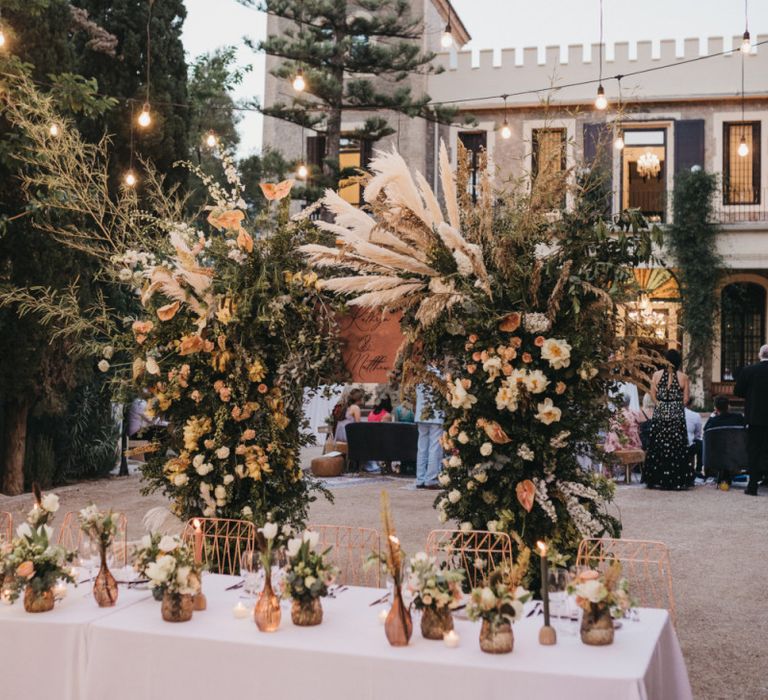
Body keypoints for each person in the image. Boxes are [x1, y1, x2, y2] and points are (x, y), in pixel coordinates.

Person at [643, 349, 693, 490]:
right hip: (676, 414)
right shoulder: (684, 377)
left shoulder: (656, 375)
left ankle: (656, 478)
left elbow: (652, 395)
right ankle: (676, 478)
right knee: (676, 445)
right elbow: (686, 399)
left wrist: (662, 405)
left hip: (661, 412)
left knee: (658, 444)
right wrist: (675, 406)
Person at [734, 344, 768, 495]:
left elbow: (738, 391)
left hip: (755, 417)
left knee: (754, 451)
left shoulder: (749, 370)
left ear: (760, 355)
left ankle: (753, 485)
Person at [703, 395, 746, 489]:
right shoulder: (738, 418)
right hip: (738, 455)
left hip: (719, 457)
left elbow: (705, 430)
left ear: (716, 408)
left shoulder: (713, 421)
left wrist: (711, 416)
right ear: (728, 406)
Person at [414, 373, 443, 490]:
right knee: (435, 447)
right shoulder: (438, 374)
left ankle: (420, 479)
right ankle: (431, 479)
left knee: (422, 448)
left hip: (421, 414)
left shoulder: (417, 373)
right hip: (435, 414)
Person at [684, 398, 703, 476]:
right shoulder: (695, 415)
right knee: (701, 443)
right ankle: (698, 470)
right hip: (688, 446)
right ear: (690, 405)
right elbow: (698, 434)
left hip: (672, 445)